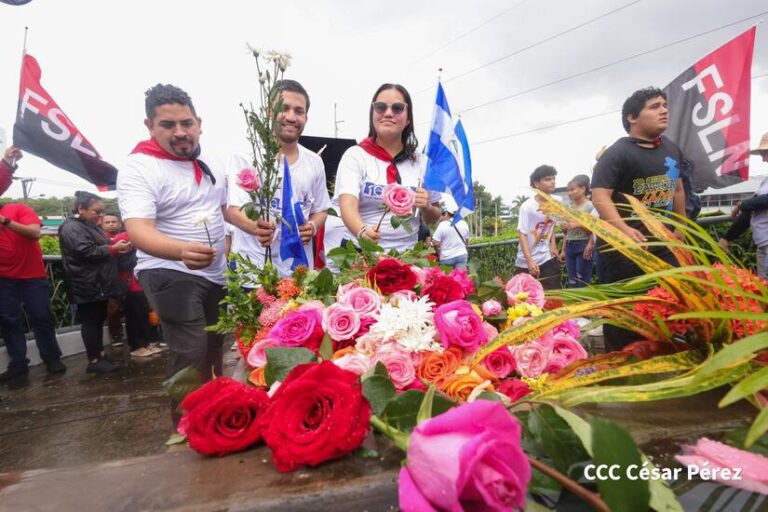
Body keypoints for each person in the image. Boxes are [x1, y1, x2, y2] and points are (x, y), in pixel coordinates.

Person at [117, 84, 251, 422]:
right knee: (190, 352)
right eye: (168, 125)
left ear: (199, 123)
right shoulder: (139, 167)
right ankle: (186, 431)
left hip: (215, 272)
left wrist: (254, 227)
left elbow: (225, 210)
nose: (180, 133)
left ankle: (216, 422)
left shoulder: (212, 161)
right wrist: (180, 251)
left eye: (186, 123)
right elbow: (138, 229)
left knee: (214, 352)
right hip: (168, 270)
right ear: (150, 126)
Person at [591, 87, 686, 351]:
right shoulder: (617, 154)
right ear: (632, 117)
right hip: (623, 250)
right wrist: (622, 229)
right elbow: (599, 195)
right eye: (655, 106)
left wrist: (682, 228)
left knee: (666, 305)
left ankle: (661, 360)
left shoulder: (671, 149)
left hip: (663, 245)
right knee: (624, 313)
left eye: (665, 105)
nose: (664, 110)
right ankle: (624, 368)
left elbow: (677, 187)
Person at [325, 83, 442, 262]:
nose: (388, 113)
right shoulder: (355, 155)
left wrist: (426, 206)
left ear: (408, 118)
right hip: (361, 255)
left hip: (407, 258)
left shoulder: (423, 163)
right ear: (373, 114)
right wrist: (362, 231)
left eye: (397, 108)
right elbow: (347, 205)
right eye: (380, 107)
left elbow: (434, 217)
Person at [226, 80, 331, 278]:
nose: (291, 117)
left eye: (299, 111)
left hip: (297, 274)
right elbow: (234, 210)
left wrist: (313, 226)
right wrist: (256, 228)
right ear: (269, 111)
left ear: (306, 118)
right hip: (253, 271)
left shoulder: (315, 162)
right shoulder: (247, 155)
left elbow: (321, 209)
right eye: (284, 108)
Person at [0, 171, 66, 382]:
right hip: (3, 279)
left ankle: (52, 358)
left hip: (32, 277)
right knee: (10, 322)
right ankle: (18, 364)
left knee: (41, 317)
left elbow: (35, 233)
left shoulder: (18, 208)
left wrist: (5, 221)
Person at [59, 191, 130, 373]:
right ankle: (94, 359)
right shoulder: (71, 227)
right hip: (86, 283)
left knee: (98, 319)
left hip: (98, 282)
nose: (100, 216)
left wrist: (115, 249)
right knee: (91, 321)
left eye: (101, 212)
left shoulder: (90, 226)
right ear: (81, 209)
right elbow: (85, 251)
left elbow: (102, 247)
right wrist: (113, 248)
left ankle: (99, 353)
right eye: (96, 211)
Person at [104, 213, 160, 358]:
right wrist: (134, 249)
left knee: (143, 315)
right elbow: (121, 263)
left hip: (141, 284)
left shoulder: (143, 236)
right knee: (133, 317)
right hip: (130, 284)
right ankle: (136, 346)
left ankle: (146, 344)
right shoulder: (123, 238)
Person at [719, 132, 768, 277]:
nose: (764, 159)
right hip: (763, 246)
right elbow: (751, 211)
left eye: (765, 153)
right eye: (762, 154)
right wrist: (726, 238)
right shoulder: (765, 182)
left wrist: (742, 204)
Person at [515, 165, 562, 290]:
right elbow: (522, 233)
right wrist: (529, 261)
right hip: (526, 260)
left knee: (553, 295)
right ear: (536, 183)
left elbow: (551, 225)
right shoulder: (527, 206)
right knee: (524, 298)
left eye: (553, 178)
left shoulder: (557, 201)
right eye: (547, 179)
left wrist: (553, 245)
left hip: (547, 257)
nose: (552, 182)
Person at [560, 175, 596, 287]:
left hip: (583, 244)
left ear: (583, 189)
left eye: (572, 189)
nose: (569, 193)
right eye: (568, 191)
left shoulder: (590, 206)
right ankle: (576, 304)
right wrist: (563, 250)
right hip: (570, 246)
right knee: (573, 281)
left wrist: (590, 245)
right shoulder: (569, 208)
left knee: (583, 281)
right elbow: (567, 233)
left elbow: (595, 229)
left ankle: (587, 304)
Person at [101, 213, 126, 347]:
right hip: (109, 280)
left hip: (127, 278)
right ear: (102, 224)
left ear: (120, 224)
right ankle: (116, 336)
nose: (111, 224)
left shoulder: (127, 237)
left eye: (114, 222)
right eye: (107, 222)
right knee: (113, 309)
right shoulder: (99, 239)